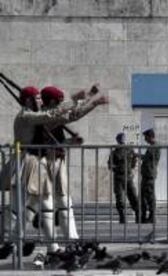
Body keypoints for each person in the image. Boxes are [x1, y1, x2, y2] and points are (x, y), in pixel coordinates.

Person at [12, 85, 108, 253]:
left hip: (54, 160)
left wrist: (90, 99)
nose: (40, 101)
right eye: (57, 102)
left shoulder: (44, 115)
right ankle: (42, 245)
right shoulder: (40, 116)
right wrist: (86, 100)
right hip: (40, 162)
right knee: (43, 204)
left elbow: (68, 118)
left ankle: (65, 243)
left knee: (55, 203)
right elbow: (70, 114)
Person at [40, 86, 86, 241]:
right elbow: (73, 115)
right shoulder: (43, 116)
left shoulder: (52, 116)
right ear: (52, 101)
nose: (60, 104)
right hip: (44, 161)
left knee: (64, 199)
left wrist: (71, 141)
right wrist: (91, 99)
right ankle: (51, 244)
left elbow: (59, 141)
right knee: (46, 202)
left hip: (58, 159)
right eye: (58, 102)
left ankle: (72, 238)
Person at [108, 133, 140, 224]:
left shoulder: (130, 150)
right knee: (121, 198)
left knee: (132, 196)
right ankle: (122, 217)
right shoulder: (116, 152)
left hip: (127, 177)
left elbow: (134, 162)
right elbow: (110, 165)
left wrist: (126, 169)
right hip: (120, 178)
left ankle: (137, 215)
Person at [140, 129, 160, 224]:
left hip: (149, 175)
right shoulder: (152, 147)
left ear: (150, 136)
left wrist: (138, 155)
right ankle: (144, 216)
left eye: (146, 137)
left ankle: (152, 217)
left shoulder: (154, 147)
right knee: (144, 196)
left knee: (150, 196)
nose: (145, 139)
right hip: (146, 174)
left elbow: (147, 158)